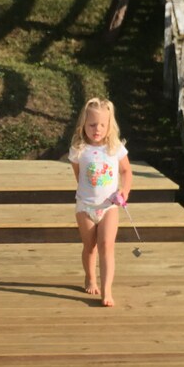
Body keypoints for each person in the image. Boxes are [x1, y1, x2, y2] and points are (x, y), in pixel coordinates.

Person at [69, 98, 133, 307]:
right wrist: (87, 194)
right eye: (92, 125)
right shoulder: (79, 149)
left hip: (109, 206)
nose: (97, 129)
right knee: (90, 246)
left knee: (107, 246)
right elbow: (79, 176)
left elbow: (126, 171)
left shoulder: (114, 148)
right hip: (85, 206)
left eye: (102, 125)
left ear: (109, 125)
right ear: (83, 125)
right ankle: (90, 277)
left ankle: (106, 291)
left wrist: (124, 190)